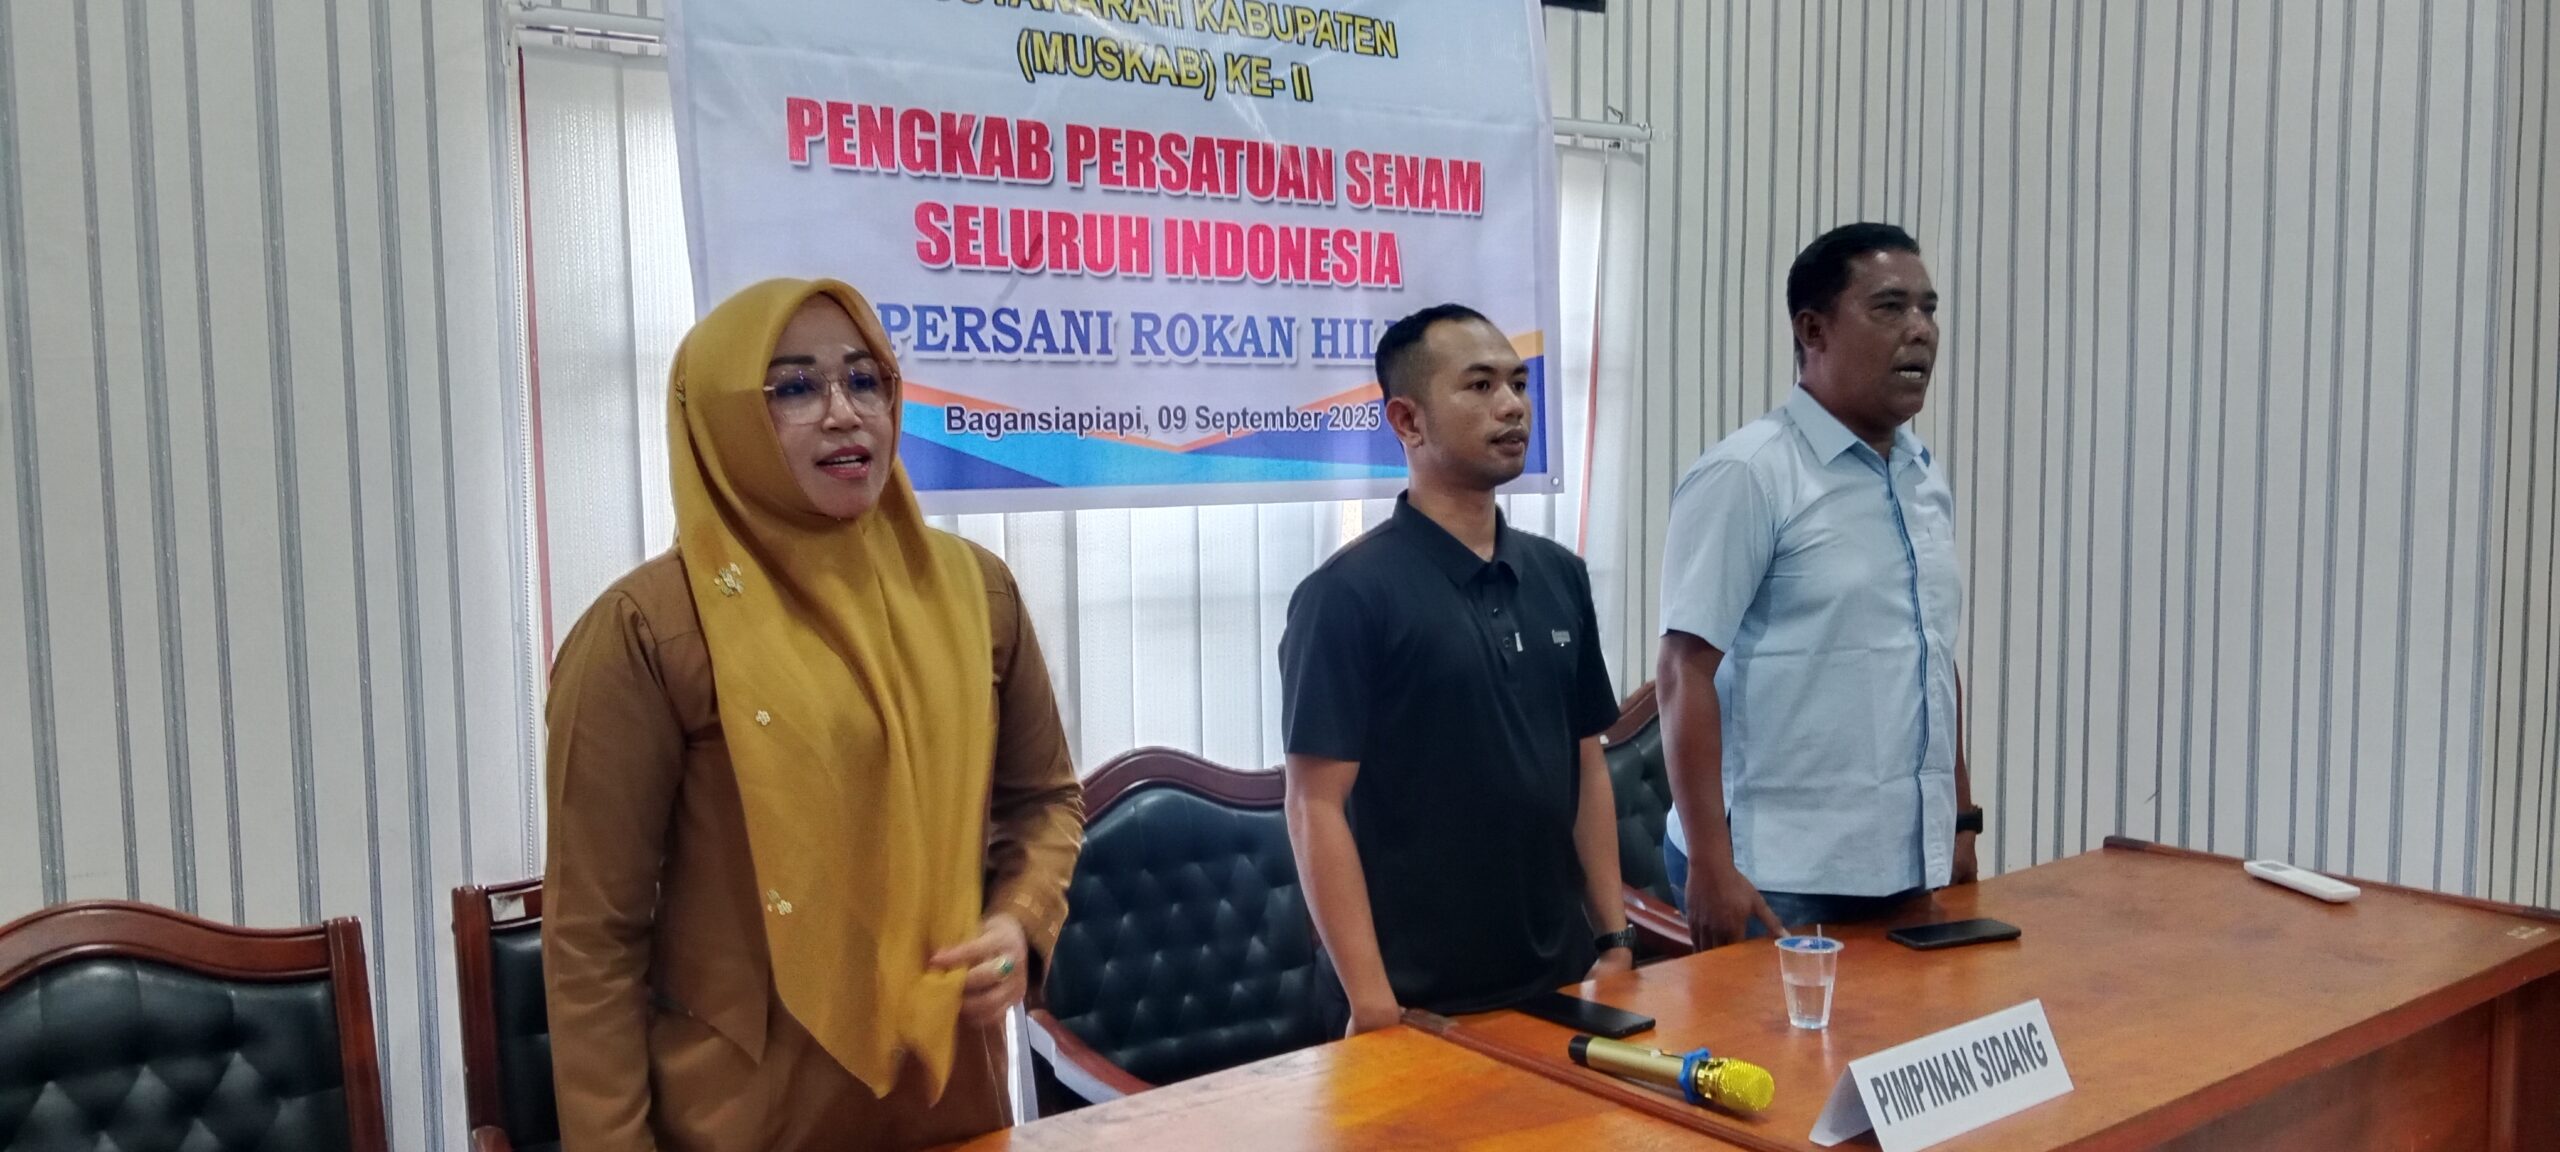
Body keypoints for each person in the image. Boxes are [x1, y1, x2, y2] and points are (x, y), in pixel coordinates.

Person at [542, 278, 1084, 1151]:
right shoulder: (648, 630)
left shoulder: (974, 593)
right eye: (794, 387)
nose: (844, 413)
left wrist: (1019, 920)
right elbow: (593, 941)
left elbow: (1046, 800)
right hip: (747, 1113)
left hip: (950, 1093)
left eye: (865, 380)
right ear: (722, 418)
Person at [1280, 303, 1634, 1035]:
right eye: (1480, 386)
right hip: (1415, 1004)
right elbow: (1313, 806)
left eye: (1519, 384)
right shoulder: (1346, 595)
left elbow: (1585, 760)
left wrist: (1614, 936)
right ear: (1407, 421)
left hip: (1560, 981)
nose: (1512, 406)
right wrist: (1372, 1002)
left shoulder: (1559, 575)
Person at [1658, 223, 1979, 951]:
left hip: (1905, 859)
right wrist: (1710, 862)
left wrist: (1959, 819)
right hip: (1778, 868)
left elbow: (1933, 652)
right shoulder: (1749, 473)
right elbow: (1683, 672)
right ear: (1812, 330)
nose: (1921, 331)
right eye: (1890, 307)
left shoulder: (1922, 476)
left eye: (1928, 309)